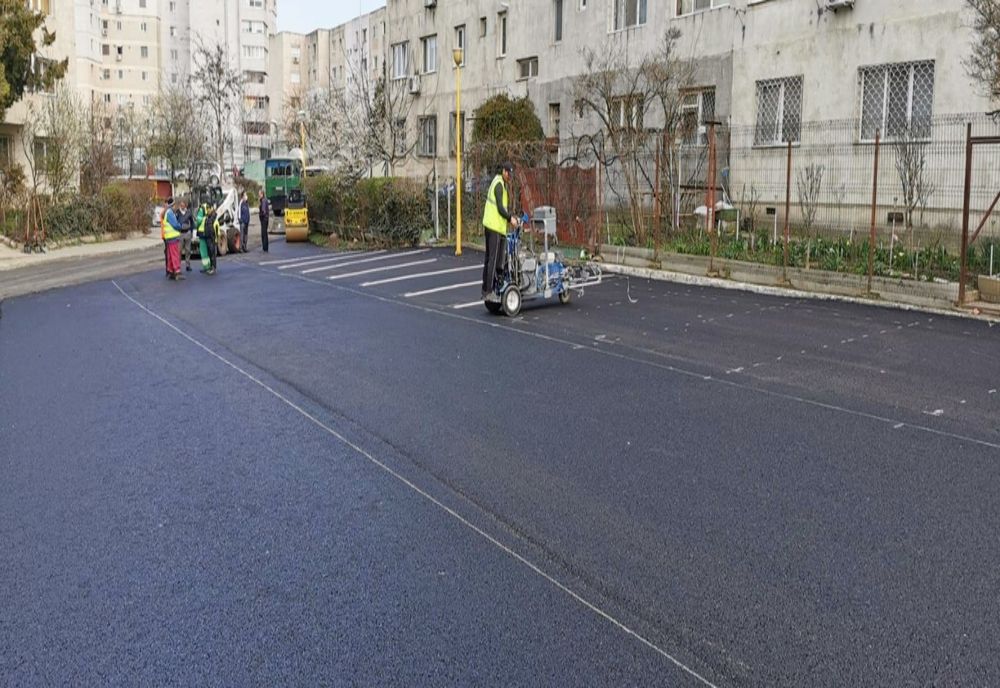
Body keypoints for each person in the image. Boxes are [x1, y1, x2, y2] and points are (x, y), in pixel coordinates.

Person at [481, 162, 519, 300]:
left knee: (489, 258)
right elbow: (500, 209)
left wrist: (510, 217)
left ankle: (485, 289)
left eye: (510, 174)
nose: (509, 176)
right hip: (494, 227)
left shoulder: (499, 184)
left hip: (492, 226)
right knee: (493, 259)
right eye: (508, 173)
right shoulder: (498, 185)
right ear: (503, 171)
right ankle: (489, 291)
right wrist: (511, 219)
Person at [161, 197, 184, 280]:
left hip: (168, 237)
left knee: (170, 255)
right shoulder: (170, 213)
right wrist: (180, 226)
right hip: (173, 236)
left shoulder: (166, 212)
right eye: (175, 205)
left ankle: (170, 271)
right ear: (173, 205)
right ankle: (177, 272)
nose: (176, 207)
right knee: (175, 255)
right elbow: (175, 224)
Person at [201, 203, 220, 275]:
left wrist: (216, 238)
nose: (207, 210)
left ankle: (213, 267)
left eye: (209, 208)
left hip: (212, 238)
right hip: (207, 237)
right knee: (209, 253)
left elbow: (217, 228)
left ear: (212, 208)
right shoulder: (207, 217)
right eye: (207, 209)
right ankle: (210, 267)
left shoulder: (214, 217)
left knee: (212, 254)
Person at [177, 199, 194, 272]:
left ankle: (188, 265)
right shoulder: (177, 213)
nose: (182, 206)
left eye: (183, 205)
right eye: (181, 205)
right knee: (179, 250)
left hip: (187, 233)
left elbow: (192, 223)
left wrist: (192, 231)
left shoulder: (189, 212)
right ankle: (178, 266)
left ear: (185, 205)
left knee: (188, 250)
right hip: (180, 233)